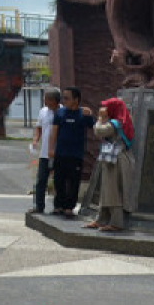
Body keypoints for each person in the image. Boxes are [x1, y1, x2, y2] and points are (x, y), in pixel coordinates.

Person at [84, 97, 136, 232]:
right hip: (114, 159)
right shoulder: (123, 121)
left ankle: (116, 223)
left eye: (107, 107)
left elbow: (99, 131)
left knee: (113, 192)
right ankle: (101, 219)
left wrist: (100, 119)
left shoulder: (114, 124)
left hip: (116, 161)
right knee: (107, 190)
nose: (104, 109)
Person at [47, 86, 94, 218]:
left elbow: (95, 126)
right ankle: (58, 206)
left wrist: (90, 114)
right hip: (60, 153)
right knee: (59, 181)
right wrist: (51, 148)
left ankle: (69, 207)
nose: (64, 100)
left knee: (73, 182)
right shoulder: (60, 113)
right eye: (64, 98)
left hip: (76, 154)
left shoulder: (83, 114)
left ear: (76, 100)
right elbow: (54, 132)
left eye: (67, 98)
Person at [28, 88, 61, 214]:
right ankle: (39, 206)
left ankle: (58, 206)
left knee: (59, 180)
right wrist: (35, 140)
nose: (44, 101)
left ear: (53, 100)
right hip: (45, 153)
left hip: (59, 152)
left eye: (46, 99)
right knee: (41, 180)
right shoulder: (43, 111)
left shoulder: (63, 111)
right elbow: (39, 128)